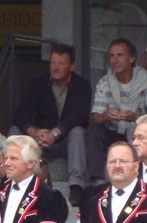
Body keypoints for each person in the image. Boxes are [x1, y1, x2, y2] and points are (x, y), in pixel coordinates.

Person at [11, 43, 92, 206]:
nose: (56, 68)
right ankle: (12, 179)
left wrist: (56, 132)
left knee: (77, 131)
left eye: (61, 63)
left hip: (65, 141)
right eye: (53, 63)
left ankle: (76, 187)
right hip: (41, 140)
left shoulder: (82, 85)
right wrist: (34, 132)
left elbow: (80, 116)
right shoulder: (39, 84)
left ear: (71, 66)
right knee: (14, 131)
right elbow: (21, 113)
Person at [85, 38, 147, 184]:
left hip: (138, 135)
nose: (114, 60)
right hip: (113, 133)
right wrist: (106, 116)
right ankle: (98, 181)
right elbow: (95, 117)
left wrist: (136, 117)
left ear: (132, 59)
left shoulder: (146, 82)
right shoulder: (104, 82)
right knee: (93, 131)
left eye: (120, 55)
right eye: (112, 56)